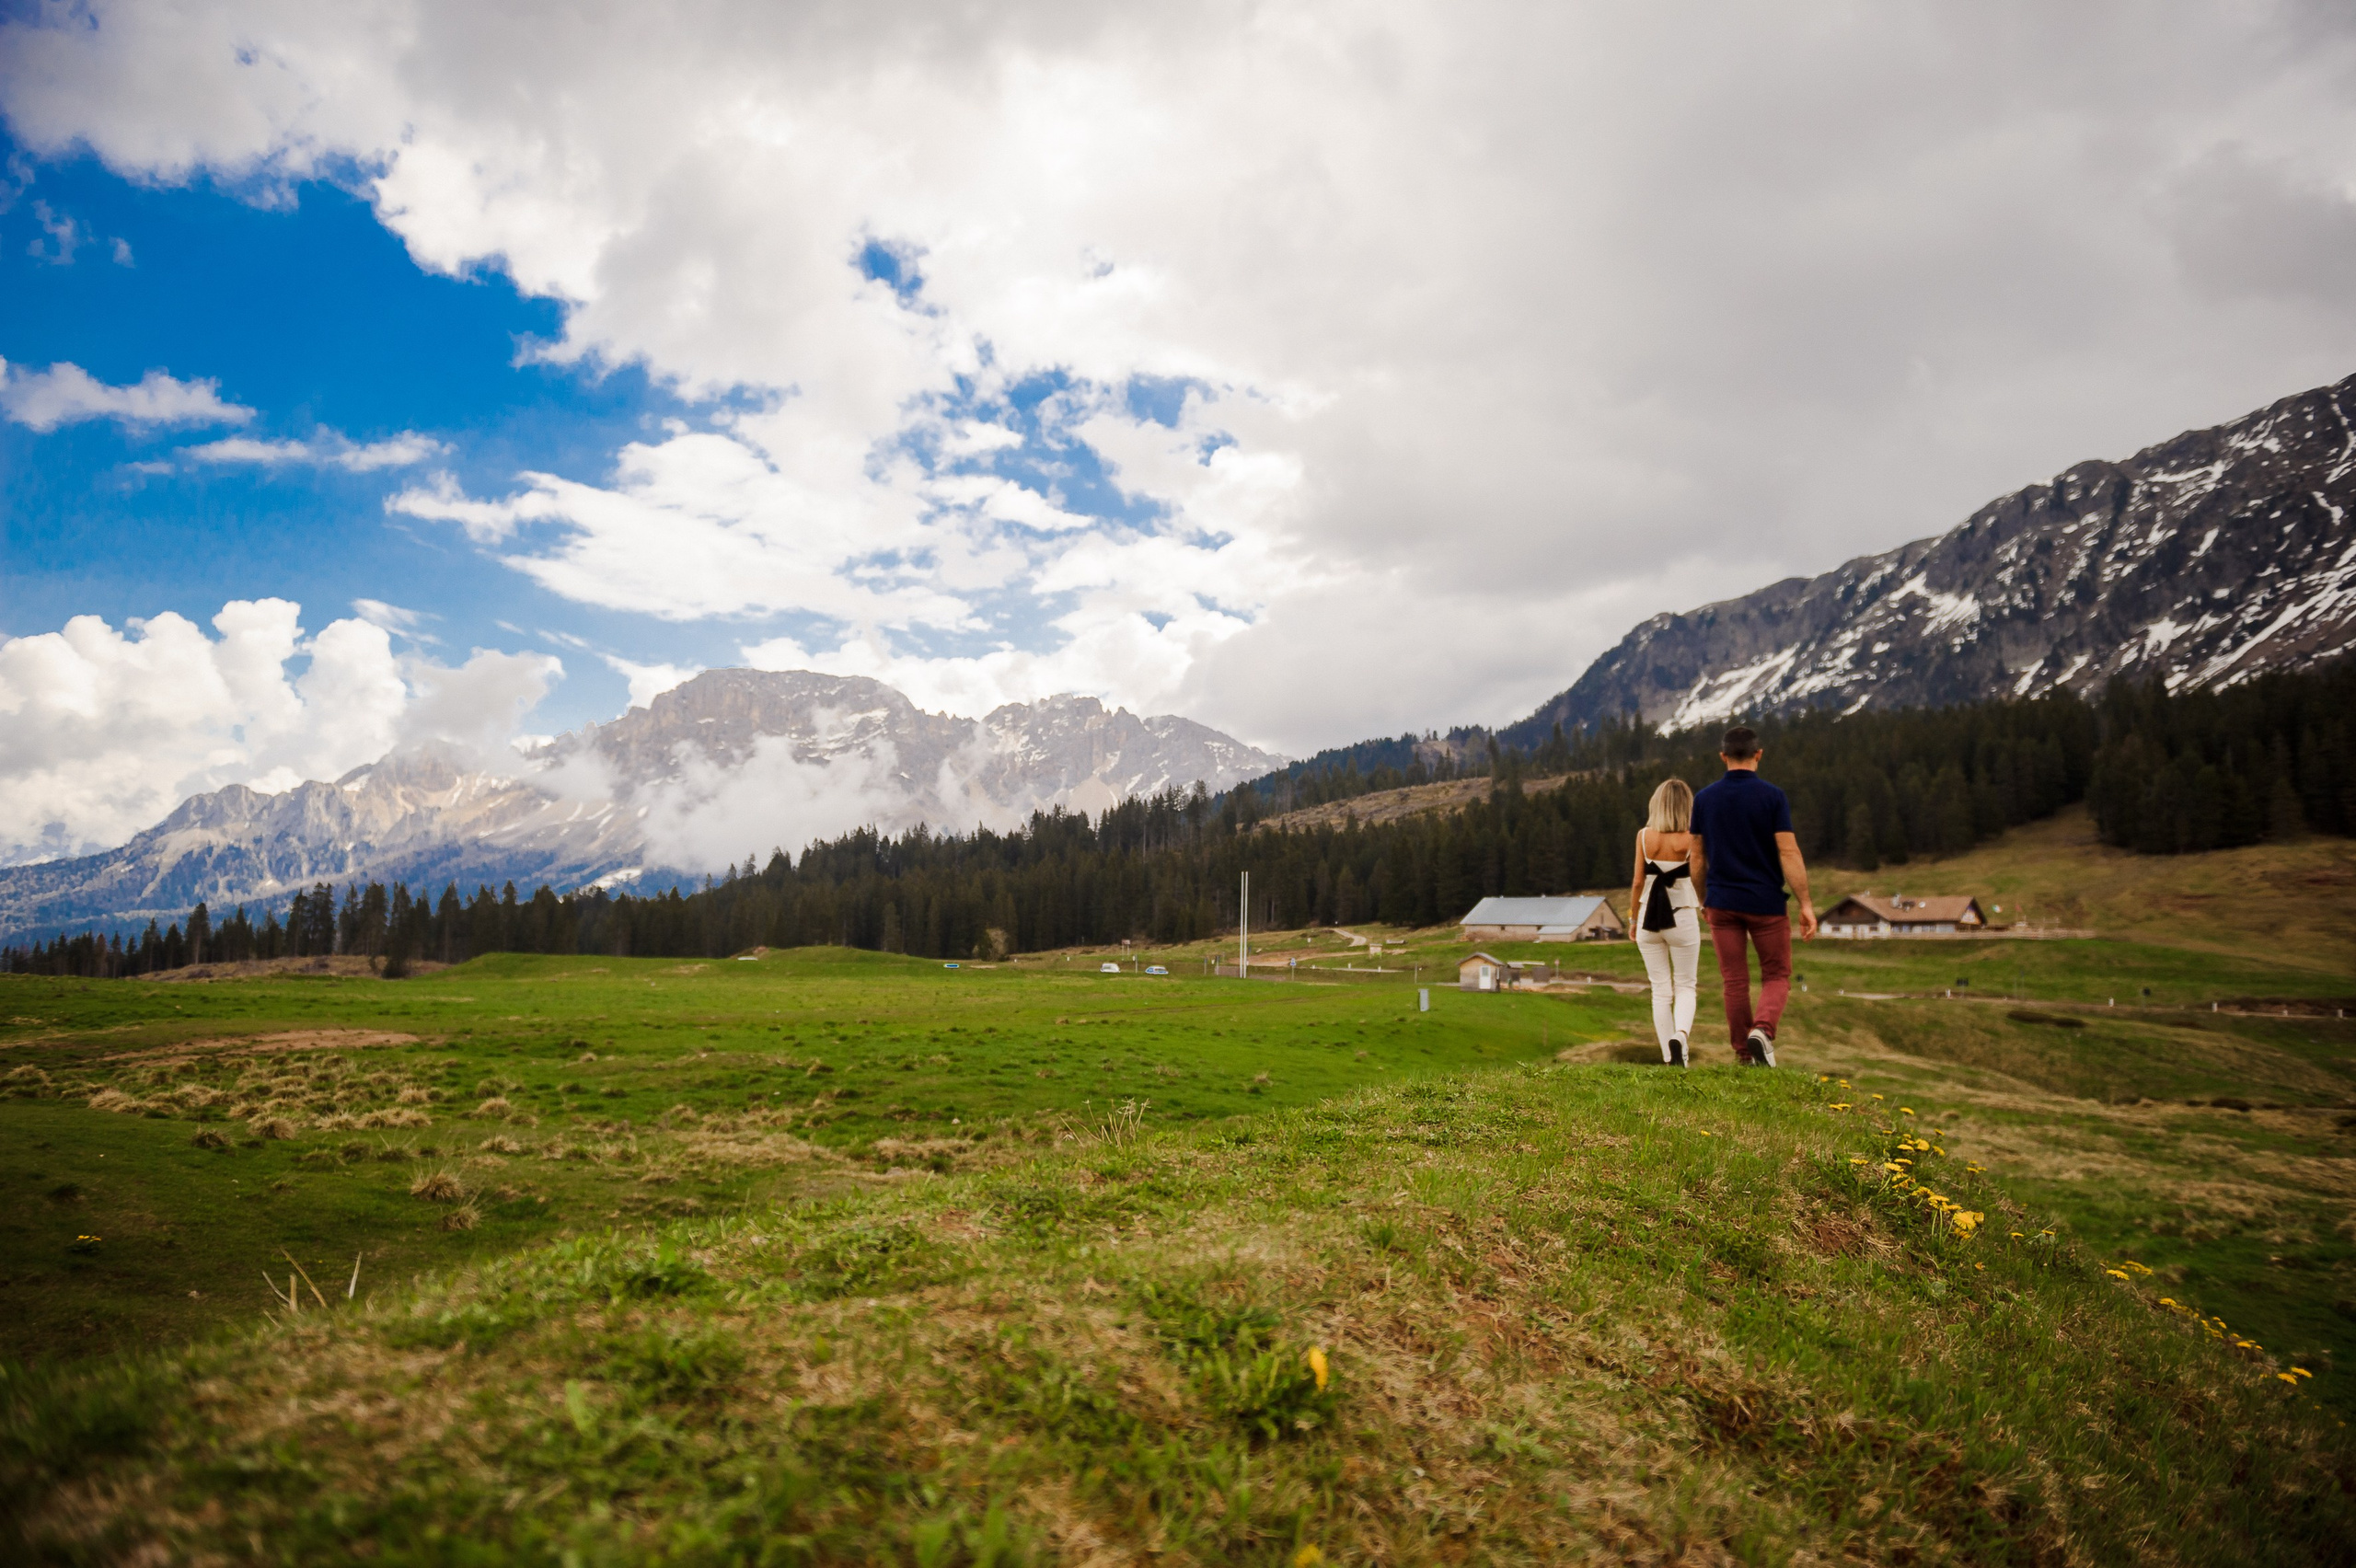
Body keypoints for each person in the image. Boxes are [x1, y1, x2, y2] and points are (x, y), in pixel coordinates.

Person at [1689, 725, 1816, 1066]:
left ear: (1723, 756)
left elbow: (1697, 858)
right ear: (1759, 754)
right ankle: (1762, 1031)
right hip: (1765, 903)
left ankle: (1745, 1055)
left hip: (1721, 903)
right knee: (1776, 975)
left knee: (1734, 980)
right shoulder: (1773, 797)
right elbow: (1788, 852)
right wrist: (1805, 904)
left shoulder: (1703, 799)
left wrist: (1703, 899)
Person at [1627, 778, 1703, 1067]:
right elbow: (1698, 877)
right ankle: (1681, 1036)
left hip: (1648, 917)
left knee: (1660, 989)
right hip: (1681, 916)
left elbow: (1637, 882)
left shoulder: (1644, 837)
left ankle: (1667, 1056)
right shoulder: (1692, 838)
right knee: (1686, 985)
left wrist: (1633, 919)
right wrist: (1705, 903)